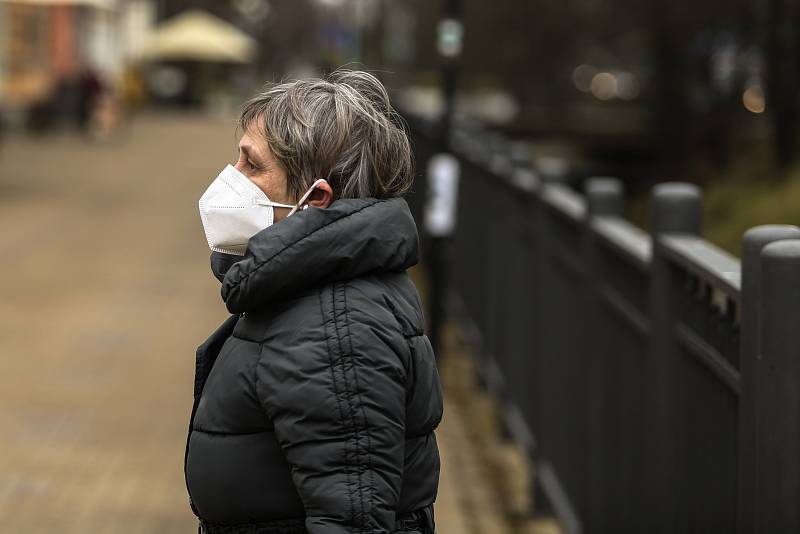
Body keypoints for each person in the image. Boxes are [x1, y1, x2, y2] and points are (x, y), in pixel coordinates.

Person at [186, 69, 442, 534]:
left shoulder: (335, 328)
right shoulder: (306, 291)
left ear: (316, 198)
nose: (231, 178)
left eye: (252, 164)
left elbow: (353, 521)